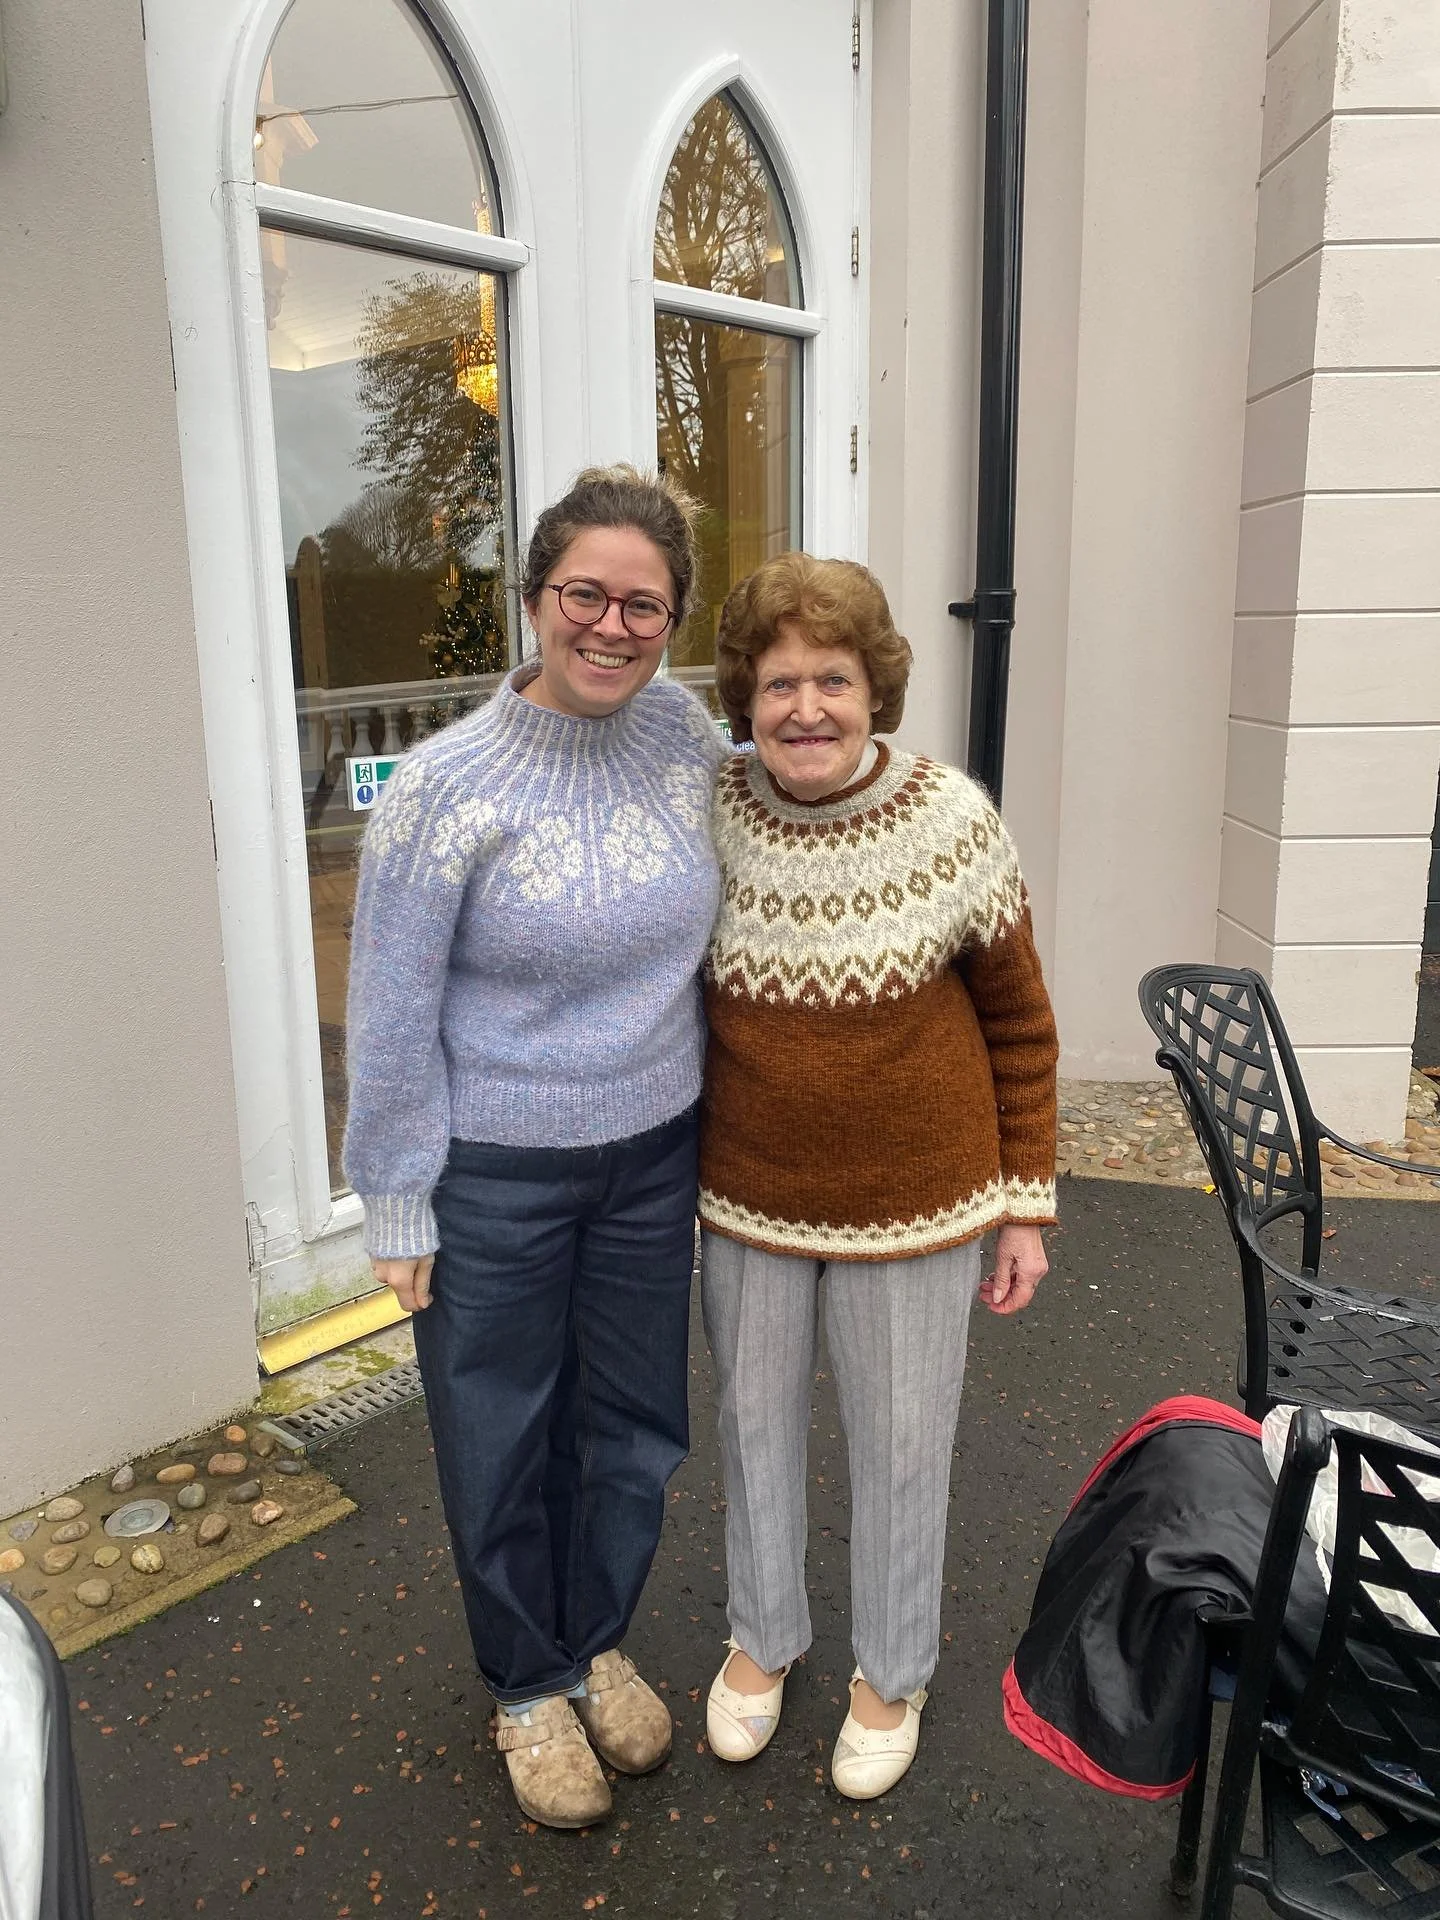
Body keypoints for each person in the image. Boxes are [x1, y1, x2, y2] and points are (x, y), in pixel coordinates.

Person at [343, 466, 723, 1830]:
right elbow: (389, 1004)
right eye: (587, 595)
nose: (613, 627)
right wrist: (396, 1196)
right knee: (499, 1435)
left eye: (645, 605)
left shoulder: (687, 739)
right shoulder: (444, 790)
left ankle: (594, 1637)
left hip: (653, 1155)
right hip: (494, 1171)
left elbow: (795, 816)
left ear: (670, 621)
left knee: (632, 1429)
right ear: (535, 597)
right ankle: (523, 1684)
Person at [697, 552, 1059, 1799]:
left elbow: (1019, 1024)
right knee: (751, 1429)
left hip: (920, 1207)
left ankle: (890, 1671)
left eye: (833, 680)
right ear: (746, 693)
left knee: (903, 1445)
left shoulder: (953, 818)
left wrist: (1025, 1202)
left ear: (875, 688)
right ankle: (764, 1639)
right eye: (780, 680)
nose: (806, 708)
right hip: (746, 1195)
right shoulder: (711, 807)